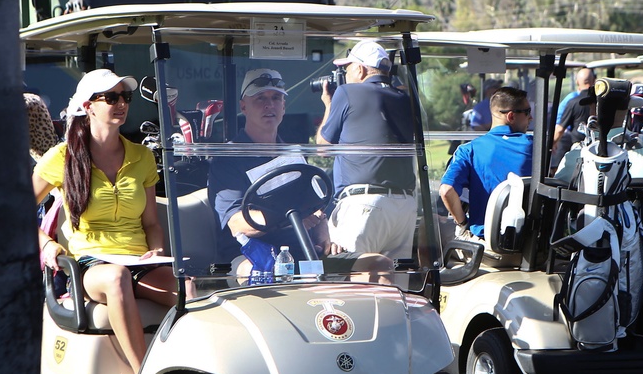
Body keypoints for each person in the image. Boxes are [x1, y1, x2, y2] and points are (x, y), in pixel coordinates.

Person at [33, 69, 179, 374]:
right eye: (111, 97)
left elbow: (151, 223)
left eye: (124, 96)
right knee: (115, 279)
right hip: (89, 263)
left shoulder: (142, 157)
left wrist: (155, 250)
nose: (122, 103)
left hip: (139, 261)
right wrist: (47, 245)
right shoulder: (62, 156)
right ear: (88, 106)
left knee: (191, 292)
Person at [209, 68, 331, 268]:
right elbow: (236, 224)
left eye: (276, 98)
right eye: (260, 98)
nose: (269, 105)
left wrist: (322, 228)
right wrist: (292, 216)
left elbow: (315, 205)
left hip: (306, 252)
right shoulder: (228, 157)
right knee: (263, 274)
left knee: (376, 264)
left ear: (283, 106)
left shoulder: (293, 153)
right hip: (253, 255)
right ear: (244, 106)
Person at [317, 41, 417, 259]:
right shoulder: (404, 98)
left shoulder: (347, 92)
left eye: (347, 69)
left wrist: (328, 105)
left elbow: (323, 148)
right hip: (404, 206)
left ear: (360, 69)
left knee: (349, 279)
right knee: (394, 282)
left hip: (364, 205)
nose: (344, 75)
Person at [439, 87, 533, 240]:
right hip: (531, 247)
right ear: (511, 116)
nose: (531, 118)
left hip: (486, 247)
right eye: (527, 112)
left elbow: (447, 190)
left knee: (426, 229)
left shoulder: (468, 150)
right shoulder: (536, 148)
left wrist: (463, 224)